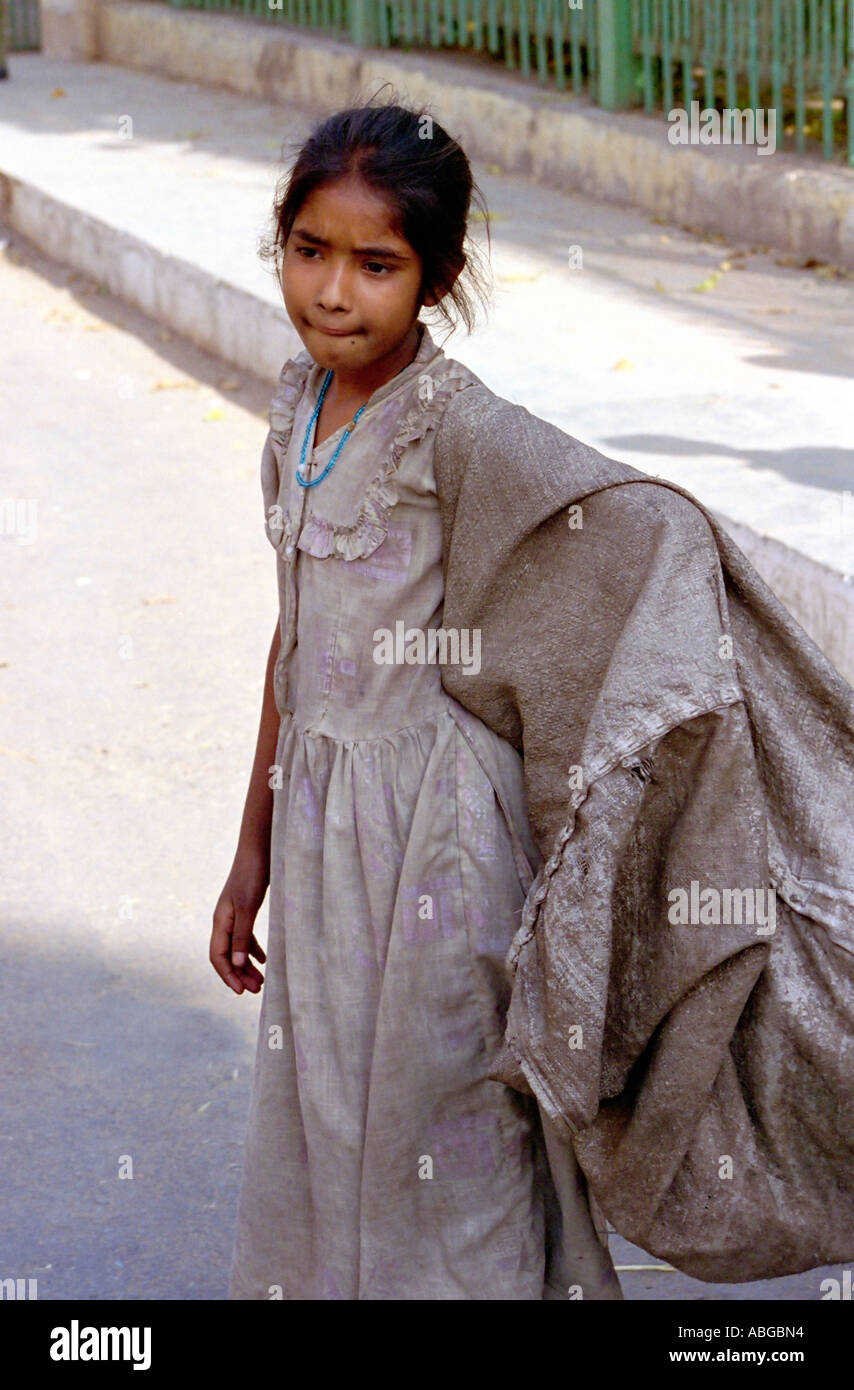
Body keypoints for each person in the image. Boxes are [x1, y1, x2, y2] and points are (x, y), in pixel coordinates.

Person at [210, 95, 624, 1301]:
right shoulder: (295, 415)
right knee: (335, 1115)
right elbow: (294, 647)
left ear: (435, 278)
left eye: (375, 264)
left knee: (442, 1129)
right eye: (309, 250)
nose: (333, 291)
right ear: (279, 244)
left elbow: (613, 531)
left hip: (438, 845)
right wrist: (251, 852)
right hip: (323, 832)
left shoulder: (462, 431)